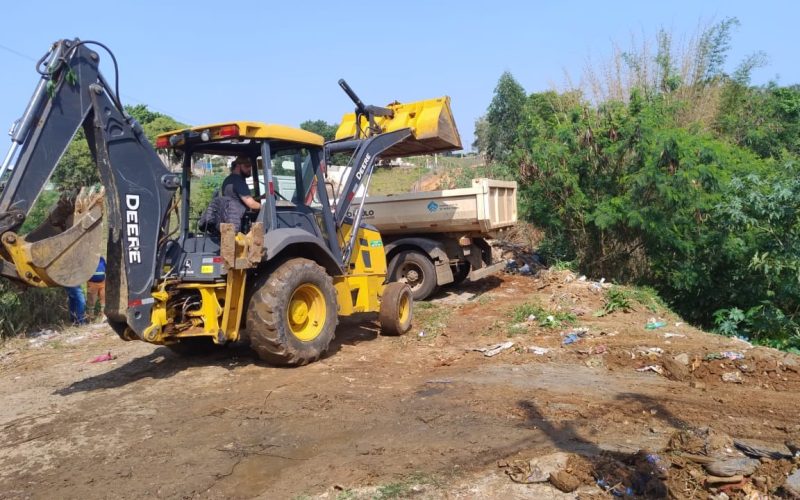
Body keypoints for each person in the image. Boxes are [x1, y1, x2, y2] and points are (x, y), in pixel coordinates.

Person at [220, 156, 262, 232]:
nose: (250, 169)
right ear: (238, 166)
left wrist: (261, 197)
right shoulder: (238, 181)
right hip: (238, 222)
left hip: (229, 219)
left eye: (250, 166)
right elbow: (251, 204)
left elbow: (237, 199)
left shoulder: (228, 180)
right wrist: (266, 207)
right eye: (247, 166)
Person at [86, 256, 106, 321]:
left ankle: (104, 315)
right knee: (91, 301)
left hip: (102, 282)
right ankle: (90, 317)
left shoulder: (102, 259)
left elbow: (105, 268)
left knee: (103, 299)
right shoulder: (89, 259)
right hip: (92, 283)